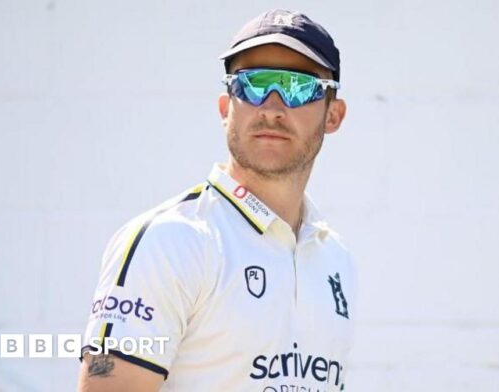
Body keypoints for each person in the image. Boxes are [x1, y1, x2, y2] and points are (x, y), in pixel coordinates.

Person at [77, 9, 356, 392]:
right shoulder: (171, 241)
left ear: (333, 115)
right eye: (252, 84)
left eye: (296, 86)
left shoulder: (334, 258)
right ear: (226, 108)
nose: (272, 108)